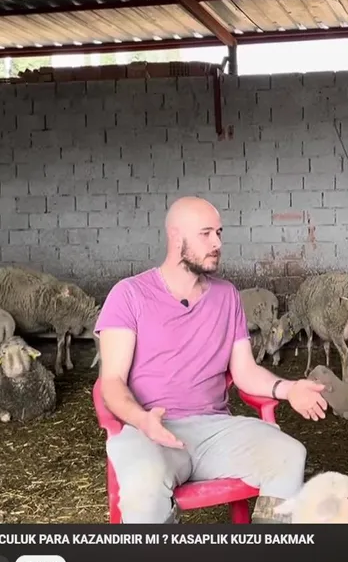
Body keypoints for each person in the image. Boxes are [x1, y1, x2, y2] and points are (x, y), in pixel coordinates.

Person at [96, 196, 329, 523]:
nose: (217, 243)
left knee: (289, 454)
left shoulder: (227, 295)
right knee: (145, 480)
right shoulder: (129, 294)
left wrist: (290, 389)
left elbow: (245, 371)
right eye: (205, 234)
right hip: (149, 429)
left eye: (219, 233)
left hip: (215, 431)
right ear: (176, 237)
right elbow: (112, 382)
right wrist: (141, 419)